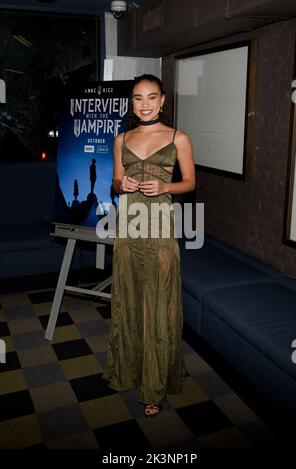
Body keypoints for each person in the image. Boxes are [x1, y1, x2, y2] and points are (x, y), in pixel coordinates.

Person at [102, 73, 196, 417]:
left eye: (151, 97)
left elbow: (189, 183)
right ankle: (128, 370)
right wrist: (121, 183)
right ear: (132, 102)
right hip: (128, 229)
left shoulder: (178, 138)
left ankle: (155, 386)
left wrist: (165, 188)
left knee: (159, 304)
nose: (144, 104)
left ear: (163, 100)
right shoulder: (120, 138)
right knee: (127, 298)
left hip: (159, 230)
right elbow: (113, 183)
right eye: (138, 98)